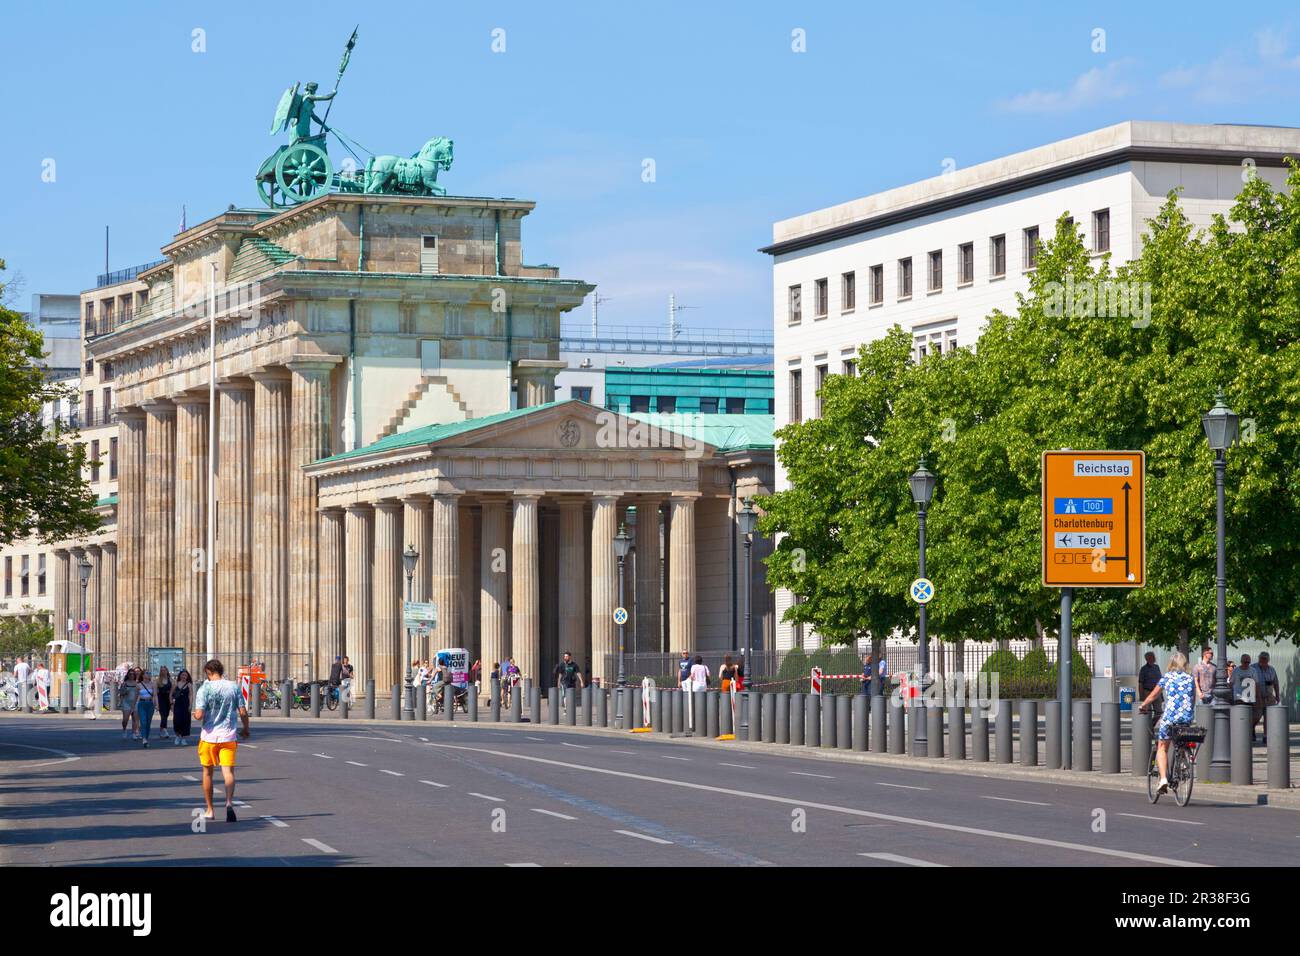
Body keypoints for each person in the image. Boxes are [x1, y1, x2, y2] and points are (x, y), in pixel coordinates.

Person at [192, 659, 250, 823]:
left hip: (209, 737)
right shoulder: (233, 686)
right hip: (228, 736)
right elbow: (243, 712)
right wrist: (246, 729)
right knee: (228, 773)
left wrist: (194, 716)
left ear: (208, 672)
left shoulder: (204, 688)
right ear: (221, 670)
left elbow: (199, 715)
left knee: (207, 773)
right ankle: (229, 803)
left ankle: (210, 809)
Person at [1138, 651, 1195, 796]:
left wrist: (1143, 705)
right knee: (1180, 740)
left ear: (1171, 664)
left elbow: (1154, 695)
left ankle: (1163, 779)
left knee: (1162, 747)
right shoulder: (1190, 678)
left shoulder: (1167, 677)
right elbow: (1192, 699)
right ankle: (1183, 761)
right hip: (1186, 718)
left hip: (1170, 718)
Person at [1255, 652, 1280, 744]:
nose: (1263, 660)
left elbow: (1276, 683)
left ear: (1268, 660)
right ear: (1259, 658)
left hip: (1269, 697)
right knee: (1256, 716)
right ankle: (1252, 729)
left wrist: (1277, 695)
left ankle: (1266, 736)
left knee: (1268, 717)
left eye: (1265, 659)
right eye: (1261, 658)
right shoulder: (1253, 668)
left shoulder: (1271, 669)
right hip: (1257, 697)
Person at [171, 670, 194, 746]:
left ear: (187, 677)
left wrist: (190, 705)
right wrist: (171, 704)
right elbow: (171, 694)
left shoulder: (189, 685)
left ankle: (183, 738)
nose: (184, 676)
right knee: (177, 720)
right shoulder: (176, 684)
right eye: (182, 675)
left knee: (185, 721)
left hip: (185, 704)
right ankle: (177, 736)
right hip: (177, 704)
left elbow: (190, 695)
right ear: (180, 676)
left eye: (185, 675)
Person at [136, 670, 157, 748]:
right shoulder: (138, 685)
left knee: (148, 722)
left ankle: (146, 738)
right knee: (143, 721)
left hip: (150, 704)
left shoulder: (153, 684)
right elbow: (136, 696)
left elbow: (155, 695)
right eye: (147, 673)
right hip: (141, 704)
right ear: (143, 675)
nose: (148, 674)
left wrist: (156, 705)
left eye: (149, 673)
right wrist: (133, 706)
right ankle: (144, 738)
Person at [120, 668, 141, 739]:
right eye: (130, 674)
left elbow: (138, 694)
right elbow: (121, 693)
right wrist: (122, 703)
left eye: (133, 674)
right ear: (128, 675)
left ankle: (134, 733)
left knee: (135, 719)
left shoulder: (137, 684)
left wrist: (137, 702)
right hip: (126, 702)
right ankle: (124, 729)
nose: (131, 675)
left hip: (135, 702)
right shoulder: (124, 683)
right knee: (125, 719)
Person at [156, 666, 173, 738]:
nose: (163, 672)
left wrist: (172, 701)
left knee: (166, 715)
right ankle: (165, 730)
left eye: (164, 670)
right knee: (163, 715)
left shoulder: (170, 680)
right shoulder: (158, 680)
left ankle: (161, 730)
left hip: (168, 699)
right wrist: (156, 704)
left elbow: (173, 690)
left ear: (167, 671)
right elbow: (155, 693)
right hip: (161, 699)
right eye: (162, 670)